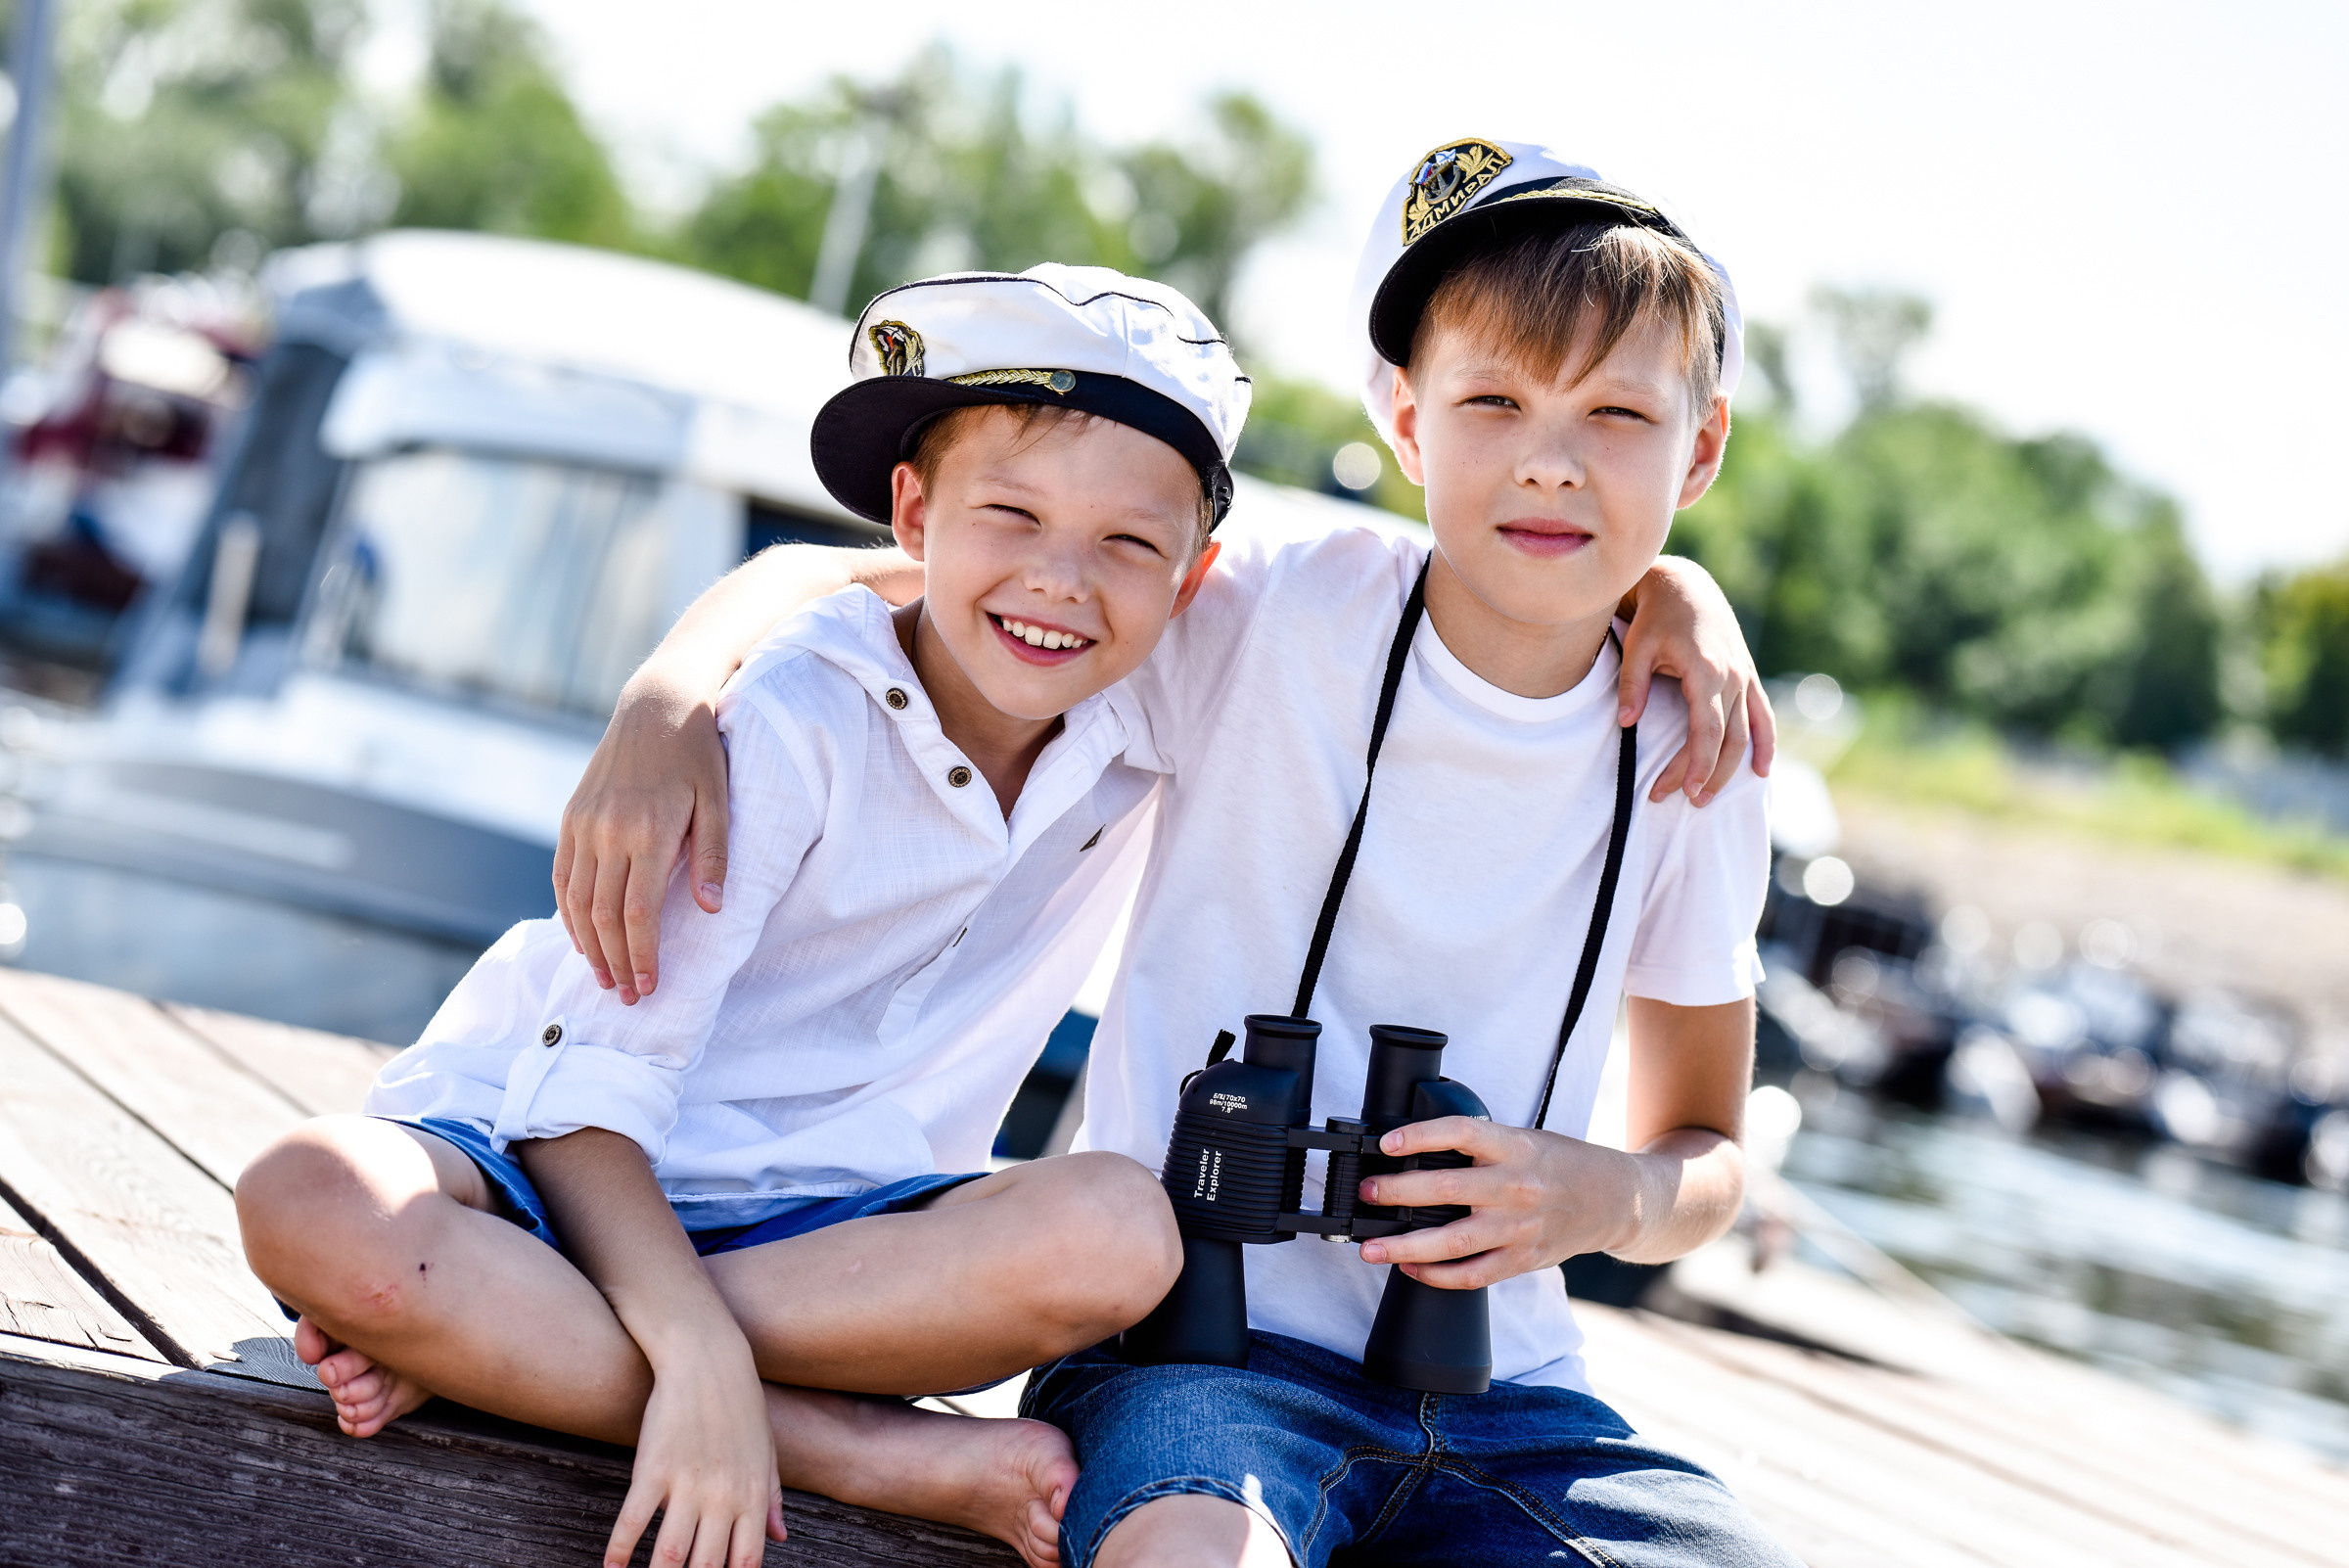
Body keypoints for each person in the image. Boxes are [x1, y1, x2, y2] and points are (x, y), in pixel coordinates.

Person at [560, 141, 1797, 1567]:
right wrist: (667, 696)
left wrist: (1604, 1194)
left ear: (1700, 449)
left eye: (1619, 415)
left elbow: (1706, 1145)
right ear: (1403, 417)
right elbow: (897, 580)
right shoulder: (1263, 616)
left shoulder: (1699, 750)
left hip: (1509, 1399)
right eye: (1493, 401)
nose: (1550, 457)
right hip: (1193, 1354)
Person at [235, 263, 1263, 1568]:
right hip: (550, 1174)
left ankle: (520, 1350)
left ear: (1192, 577)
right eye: (1011, 513)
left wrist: (1619, 585)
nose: (1064, 579)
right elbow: (575, 1112)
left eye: (1130, 544)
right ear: (916, 513)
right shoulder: (787, 717)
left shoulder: (1152, 706)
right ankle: (839, 1443)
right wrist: (670, 693)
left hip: (836, 1250)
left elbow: (1413, 609)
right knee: (311, 1195)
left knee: (1121, 1232)